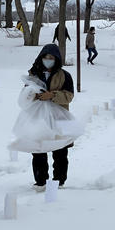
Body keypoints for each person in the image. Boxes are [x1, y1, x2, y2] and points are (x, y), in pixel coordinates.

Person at [28, 44, 74, 189]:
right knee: (38, 149)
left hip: (59, 117)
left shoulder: (64, 75)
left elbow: (69, 96)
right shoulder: (33, 74)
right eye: (46, 57)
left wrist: (52, 95)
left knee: (60, 150)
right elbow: (26, 94)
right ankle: (41, 181)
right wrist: (33, 95)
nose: (48, 60)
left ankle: (59, 181)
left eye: (51, 58)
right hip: (39, 117)